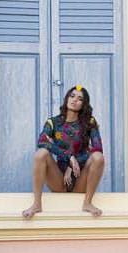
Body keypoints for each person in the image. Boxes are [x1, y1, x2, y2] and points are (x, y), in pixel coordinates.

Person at [22, 85, 105, 218]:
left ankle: (87, 203)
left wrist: (73, 165)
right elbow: (42, 142)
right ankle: (37, 204)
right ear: (67, 98)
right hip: (59, 180)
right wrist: (68, 157)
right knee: (41, 153)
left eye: (80, 99)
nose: (74, 100)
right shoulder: (53, 122)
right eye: (72, 96)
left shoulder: (90, 122)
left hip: (80, 181)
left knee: (98, 157)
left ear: (83, 104)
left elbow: (97, 148)